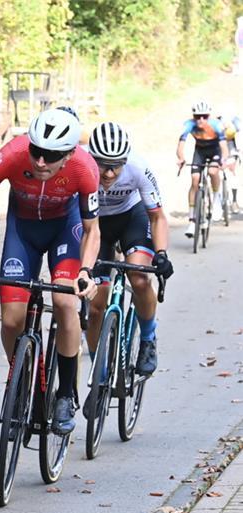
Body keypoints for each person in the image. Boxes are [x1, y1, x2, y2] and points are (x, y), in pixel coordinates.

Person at [0, 108, 100, 435]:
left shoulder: (84, 167)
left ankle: (66, 393)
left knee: (65, 304)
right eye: (36, 151)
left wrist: (86, 272)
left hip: (65, 230)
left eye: (51, 156)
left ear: (68, 154)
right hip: (22, 232)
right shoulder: (13, 153)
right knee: (11, 320)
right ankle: (23, 380)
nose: (40, 162)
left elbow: (93, 230)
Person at [84, 122, 173, 393]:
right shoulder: (80, 165)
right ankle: (99, 376)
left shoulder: (138, 167)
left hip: (131, 219)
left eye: (116, 165)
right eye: (102, 165)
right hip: (96, 226)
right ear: (91, 158)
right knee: (95, 304)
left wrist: (161, 254)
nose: (109, 173)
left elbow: (157, 216)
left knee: (139, 277)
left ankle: (148, 339)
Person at [176, 101, 229, 236]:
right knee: (194, 179)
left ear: (209, 116)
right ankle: (192, 221)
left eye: (204, 116)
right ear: (193, 116)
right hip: (200, 151)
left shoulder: (216, 125)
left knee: (212, 171)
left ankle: (217, 200)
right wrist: (181, 158)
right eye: (197, 116)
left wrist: (223, 160)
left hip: (215, 150)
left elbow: (224, 147)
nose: (201, 120)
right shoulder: (189, 124)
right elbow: (181, 144)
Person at [217, 108, 241, 213]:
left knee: (232, 172)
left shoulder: (235, 125)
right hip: (220, 146)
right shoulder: (217, 123)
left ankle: (234, 201)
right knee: (220, 173)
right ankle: (221, 201)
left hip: (231, 146)